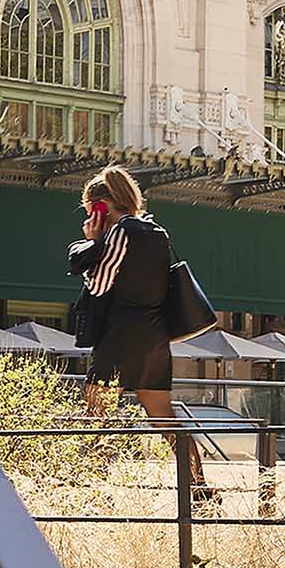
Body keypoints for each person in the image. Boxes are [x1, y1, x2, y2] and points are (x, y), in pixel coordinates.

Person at [68, 166, 199, 491]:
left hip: (121, 335)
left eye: (90, 209)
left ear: (101, 205)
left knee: (97, 414)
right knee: (164, 417)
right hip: (154, 337)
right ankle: (197, 486)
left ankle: (94, 490)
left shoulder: (121, 232)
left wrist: (94, 240)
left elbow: (100, 285)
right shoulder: (156, 231)